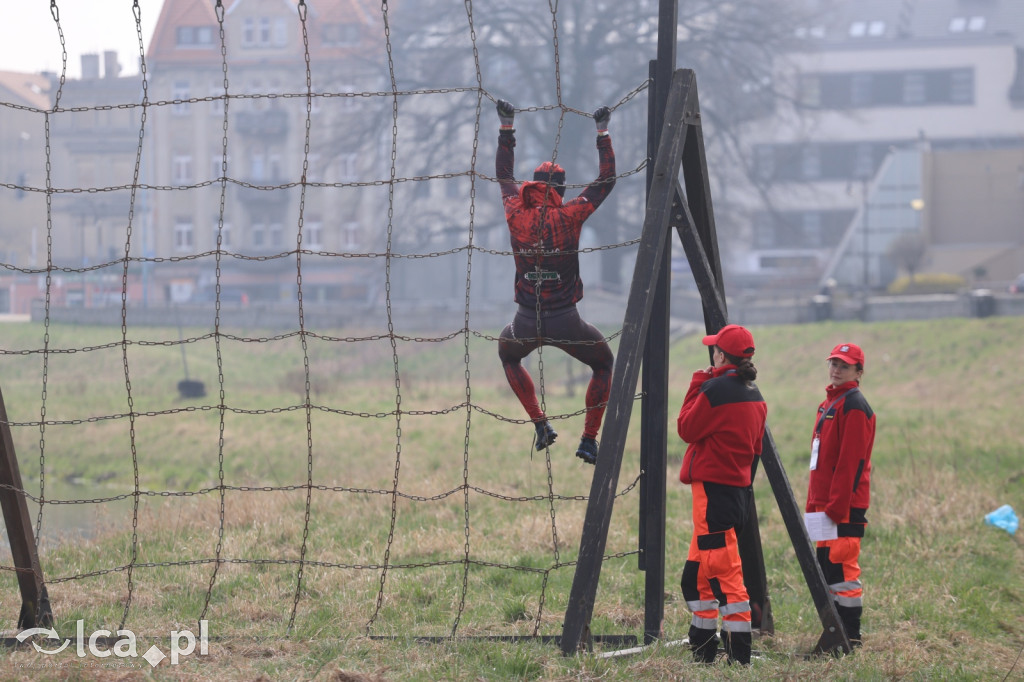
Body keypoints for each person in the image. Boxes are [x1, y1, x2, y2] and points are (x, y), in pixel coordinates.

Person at [494, 98, 616, 465]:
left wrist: (506, 127)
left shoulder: (515, 210)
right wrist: (602, 134)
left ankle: (541, 424)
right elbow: (606, 181)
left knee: (507, 353)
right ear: (561, 189)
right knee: (604, 364)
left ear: (532, 184)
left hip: (525, 321)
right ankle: (589, 440)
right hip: (567, 320)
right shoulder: (571, 214)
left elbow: (503, 175)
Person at [676, 324, 766, 665]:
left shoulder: (714, 389)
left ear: (721, 355)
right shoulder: (754, 394)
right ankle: (702, 651)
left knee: (726, 581)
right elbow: (755, 451)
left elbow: (686, 428)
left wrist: (697, 383)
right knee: (695, 580)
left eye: (714, 348)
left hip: (713, 497)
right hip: (736, 494)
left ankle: (739, 660)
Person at [807, 342, 875, 648]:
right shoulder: (829, 403)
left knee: (843, 572)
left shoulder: (855, 406)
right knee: (827, 569)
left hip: (843, 508)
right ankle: (834, 635)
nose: (836, 370)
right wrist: (814, 505)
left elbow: (852, 464)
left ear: (858, 372)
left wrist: (835, 508)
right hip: (825, 506)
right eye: (833, 363)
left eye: (844, 366)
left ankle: (850, 637)